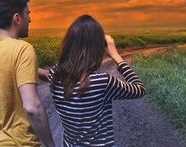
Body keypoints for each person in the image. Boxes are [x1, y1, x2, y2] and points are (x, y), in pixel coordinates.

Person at [0, 0, 54, 147]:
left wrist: (39, 72)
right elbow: (32, 108)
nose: (30, 19)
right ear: (17, 18)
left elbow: (1, 66)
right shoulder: (23, 49)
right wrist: (50, 144)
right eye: (27, 14)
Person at [48, 15, 146, 146]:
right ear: (98, 47)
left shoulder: (55, 74)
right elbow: (139, 89)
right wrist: (116, 56)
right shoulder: (103, 82)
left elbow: (48, 74)